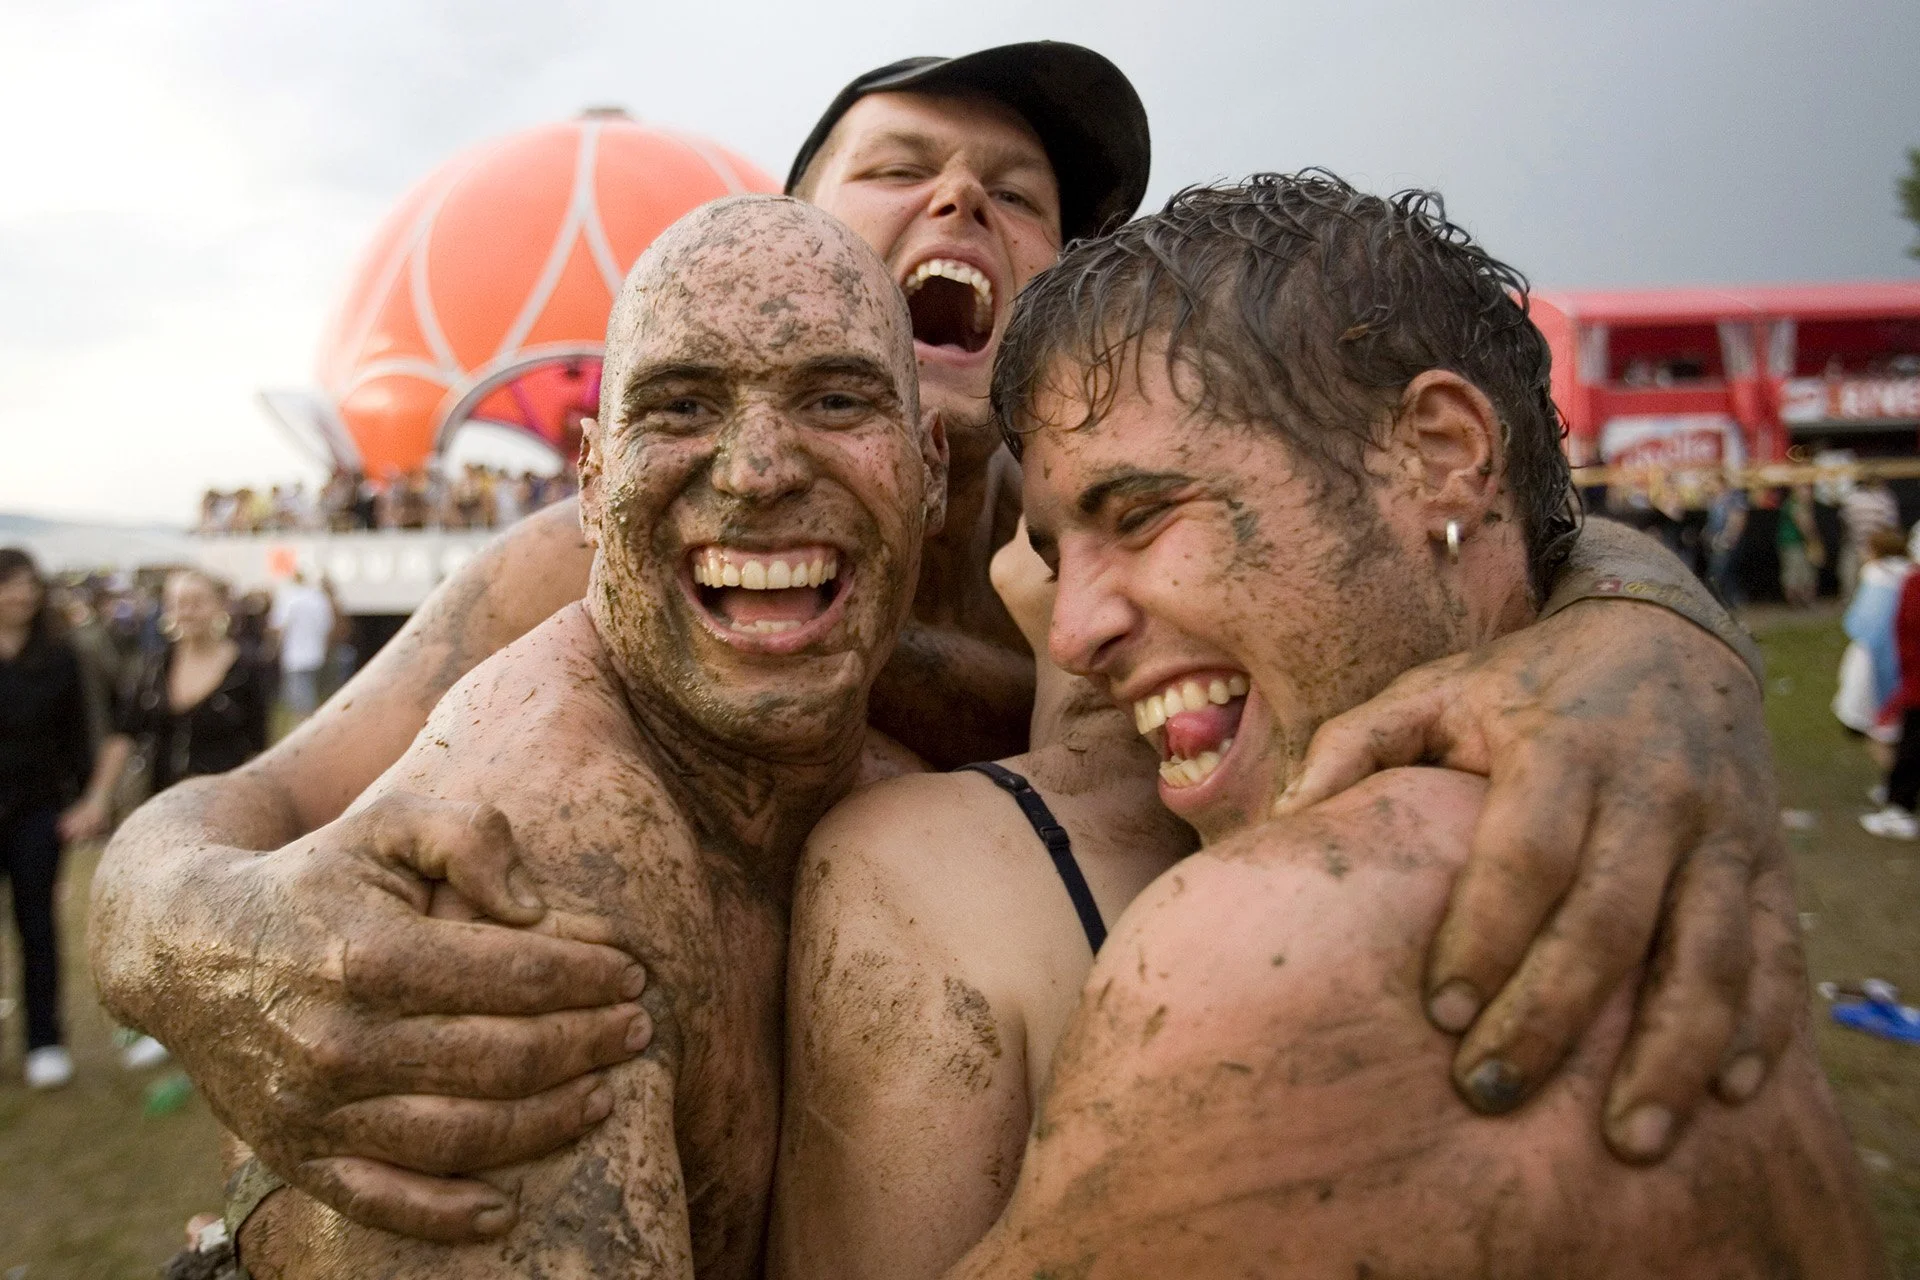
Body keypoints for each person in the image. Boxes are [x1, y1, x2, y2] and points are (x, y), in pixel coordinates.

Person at [97, 43, 1776, 1247]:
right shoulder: (613, 560)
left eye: (1018, 193)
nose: (961, 196)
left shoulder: (1127, 559)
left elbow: (1476, 508)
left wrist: (1651, 639)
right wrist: (198, 944)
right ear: (783, 252)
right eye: (898, 167)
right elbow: (228, 814)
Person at [913, 174, 1881, 1278]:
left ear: (1441, 455)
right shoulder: (1641, 820)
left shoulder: (1285, 933)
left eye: (1141, 515)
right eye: (1054, 558)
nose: (1072, 632)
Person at [233, 194, 943, 1280]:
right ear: (592, 477)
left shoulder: (933, 761)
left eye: (837, 398)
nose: (757, 469)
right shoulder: (541, 856)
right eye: (682, 405)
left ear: (934, 467)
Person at [0, 549, 125, 1089]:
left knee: (37, 925)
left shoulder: (61, 657)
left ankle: (44, 1041)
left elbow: (85, 733)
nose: (21, 595)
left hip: (37, 810)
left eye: (28, 584)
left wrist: (90, 799)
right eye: (10, 584)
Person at [1835, 525, 1909, 775]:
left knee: (1876, 727)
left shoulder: (1875, 575)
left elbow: (1863, 621)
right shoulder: (1910, 574)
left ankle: (1897, 785)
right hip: (1906, 658)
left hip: (1872, 658)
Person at [266, 569, 334, 721]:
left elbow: (279, 626)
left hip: (294, 654)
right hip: (315, 652)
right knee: (310, 689)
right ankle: (310, 720)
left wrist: (273, 647)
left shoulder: (288, 598)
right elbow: (328, 626)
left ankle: (304, 721)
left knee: (298, 693)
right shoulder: (318, 598)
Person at [1777, 483, 1824, 607]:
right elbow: (1804, 524)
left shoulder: (1802, 505)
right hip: (1793, 543)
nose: (1808, 493)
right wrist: (1814, 542)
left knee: (1804, 573)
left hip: (1798, 544)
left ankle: (1803, 601)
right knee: (1795, 573)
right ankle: (1797, 602)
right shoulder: (1795, 504)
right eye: (1805, 489)